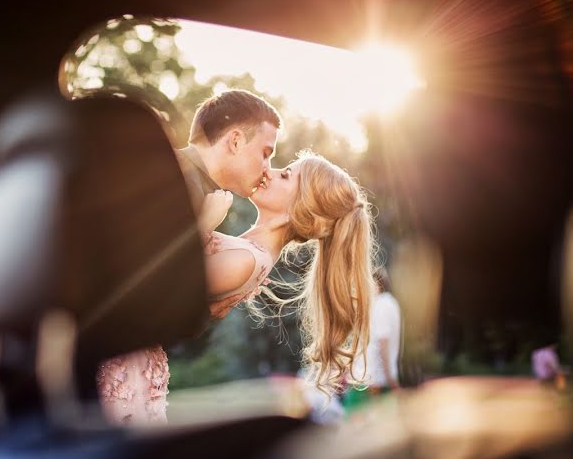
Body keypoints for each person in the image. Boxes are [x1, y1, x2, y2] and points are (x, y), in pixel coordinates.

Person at [97, 148, 375, 424]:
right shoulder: (249, 248)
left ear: (302, 210)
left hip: (122, 370)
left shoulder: (247, 260)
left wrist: (204, 222)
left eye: (286, 175)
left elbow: (155, 287)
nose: (270, 171)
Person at [96, 90, 282, 425]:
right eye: (265, 153)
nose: (267, 168)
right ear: (236, 141)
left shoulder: (197, 186)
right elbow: (132, 283)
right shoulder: (172, 180)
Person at [342, 267, 402, 413]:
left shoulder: (383, 305)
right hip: (369, 382)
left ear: (376, 284)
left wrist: (392, 383)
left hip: (374, 384)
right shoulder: (379, 305)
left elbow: (382, 345)